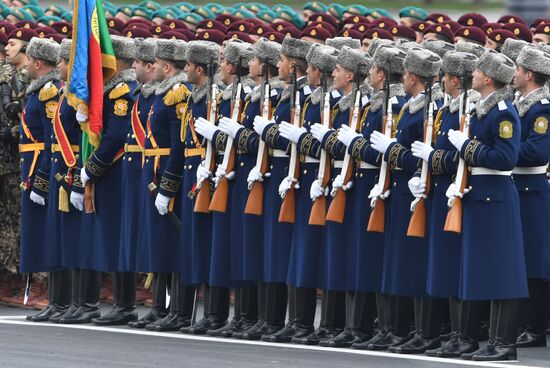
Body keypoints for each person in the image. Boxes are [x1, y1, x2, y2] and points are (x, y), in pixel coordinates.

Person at [446, 49, 528, 361]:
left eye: (478, 71)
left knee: (503, 271)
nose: (474, 74)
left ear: (489, 78)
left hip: (495, 196)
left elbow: (506, 158)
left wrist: (468, 147)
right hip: (480, 195)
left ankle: (504, 343)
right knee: (482, 268)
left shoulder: (503, 112)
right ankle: (487, 340)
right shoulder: (483, 109)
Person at [337, 45, 408, 349]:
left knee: (377, 259)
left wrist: (355, 145)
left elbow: (384, 154)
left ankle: (380, 326)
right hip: (366, 183)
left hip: (382, 185)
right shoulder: (375, 104)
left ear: (382, 73)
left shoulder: (393, 106)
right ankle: (361, 325)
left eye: (374, 70)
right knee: (362, 257)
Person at [244, 35, 312, 341]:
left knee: (286, 251)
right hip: (273, 174)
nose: (280, 64)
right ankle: (268, 317)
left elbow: (297, 140)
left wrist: (270, 132)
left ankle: (288, 319)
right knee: (270, 249)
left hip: (291, 174)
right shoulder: (285, 95)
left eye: (284, 60)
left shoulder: (303, 98)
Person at [68, 35, 138, 324]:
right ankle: (98, 302)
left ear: (116, 62)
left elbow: (115, 136)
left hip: (117, 171)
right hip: (107, 173)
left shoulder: (122, 91)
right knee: (103, 237)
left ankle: (125, 305)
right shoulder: (108, 91)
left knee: (119, 238)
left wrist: (92, 168)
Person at [194, 40, 257, 337]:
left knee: (237, 249)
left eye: (222, 62)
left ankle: (242, 314)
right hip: (220, 174)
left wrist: (217, 138)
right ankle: (216, 313)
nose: (219, 67)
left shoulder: (244, 96)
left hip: (238, 177)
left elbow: (244, 141)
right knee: (219, 248)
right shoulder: (227, 94)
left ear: (232, 66)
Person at [177, 40, 223, 334]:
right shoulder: (196, 96)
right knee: (194, 244)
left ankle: (214, 313)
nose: (186, 70)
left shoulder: (214, 97)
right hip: (193, 171)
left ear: (201, 69)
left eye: (189, 65)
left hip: (208, 173)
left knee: (208, 244)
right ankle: (194, 313)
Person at [21, 36, 63, 321]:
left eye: (27, 60)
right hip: (32, 166)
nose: (24, 65)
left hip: (41, 167)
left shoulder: (48, 92)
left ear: (38, 63)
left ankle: (53, 295)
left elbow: (51, 138)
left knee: (48, 234)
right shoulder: (37, 90)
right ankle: (53, 298)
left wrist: (41, 179)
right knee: (38, 234)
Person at [511, 46, 550, 348]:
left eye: (517, 68)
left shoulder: (541, 109)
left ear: (529, 74)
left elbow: (537, 151)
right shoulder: (522, 103)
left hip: (532, 189)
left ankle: (535, 327)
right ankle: (522, 322)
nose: (513, 72)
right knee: (520, 258)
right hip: (518, 187)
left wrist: (504, 151)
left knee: (535, 262)